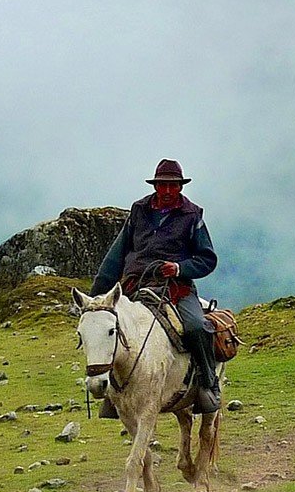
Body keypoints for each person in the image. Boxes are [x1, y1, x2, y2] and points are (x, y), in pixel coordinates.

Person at [90, 159, 222, 414]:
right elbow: (116, 256)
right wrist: (96, 297)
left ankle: (208, 385)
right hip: (134, 286)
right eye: (163, 185)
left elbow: (207, 258)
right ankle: (112, 397)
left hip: (175, 288)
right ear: (156, 186)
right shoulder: (138, 210)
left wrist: (179, 268)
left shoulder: (192, 215)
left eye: (173, 186)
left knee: (197, 327)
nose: (168, 191)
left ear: (180, 187)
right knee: (111, 329)